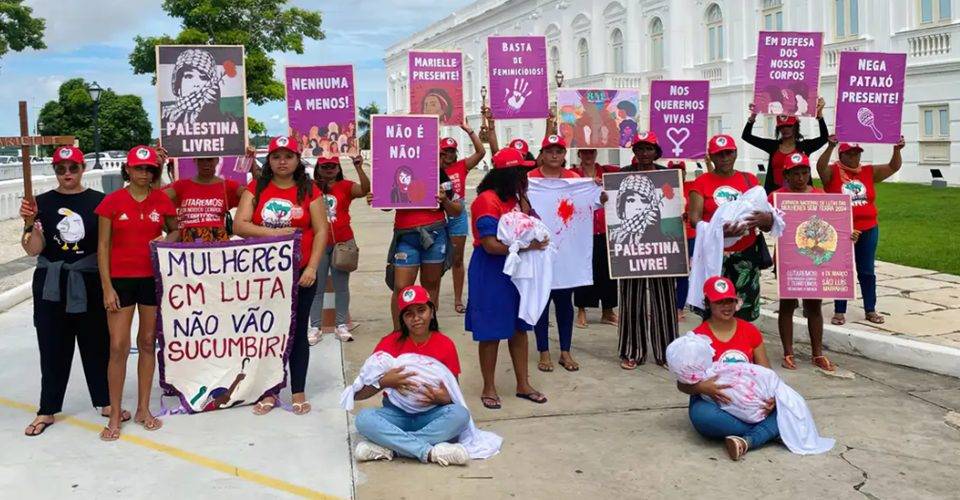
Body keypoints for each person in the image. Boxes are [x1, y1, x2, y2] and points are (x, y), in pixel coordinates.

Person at [19, 146, 119, 436]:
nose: (67, 174)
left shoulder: (100, 202)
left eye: (72, 168)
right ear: (55, 172)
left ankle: (104, 401)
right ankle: (47, 409)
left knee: (96, 343)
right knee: (52, 346)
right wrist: (29, 224)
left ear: (82, 169)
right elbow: (32, 249)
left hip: (88, 280)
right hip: (52, 283)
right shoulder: (39, 203)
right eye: (60, 169)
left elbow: (108, 246)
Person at [233, 136, 328, 416]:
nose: (282, 162)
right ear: (268, 160)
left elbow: (321, 230)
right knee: (269, 333)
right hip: (264, 274)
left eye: (288, 156)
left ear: (298, 160)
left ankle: (297, 389)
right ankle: (270, 390)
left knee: (297, 332)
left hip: (301, 273)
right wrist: (276, 233)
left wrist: (312, 267)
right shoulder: (256, 188)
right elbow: (240, 224)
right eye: (276, 156)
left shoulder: (309, 189)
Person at [96, 146, 178, 441]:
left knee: (147, 342)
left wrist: (166, 238)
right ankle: (115, 413)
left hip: (150, 280)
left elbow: (175, 230)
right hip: (120, 280)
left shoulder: (161, 200)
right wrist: (106, 287)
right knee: (118, 346)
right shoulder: (112, 202)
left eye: (149, 169)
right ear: (127, 170)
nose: (144, 174)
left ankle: (143, 408)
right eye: (139, 168)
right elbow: (102, 247)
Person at [350, 285, 471, 466]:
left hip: (431, 413)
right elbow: (358, 394)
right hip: (395, 414)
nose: (416, 318)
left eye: (421, 310)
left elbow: (454, 393)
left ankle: (391, 448)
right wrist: (384, 382)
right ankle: (429, 452)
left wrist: (443, 398)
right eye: (409, 314)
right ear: (402, 319)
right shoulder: (389, 343)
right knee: (364, 419)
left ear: (432, 311)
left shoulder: (445, 344)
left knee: (460, 415)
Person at [466, 148, 549, 408]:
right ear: (508, 174)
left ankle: (523, 384)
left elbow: (533, 225)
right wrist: (527, 247)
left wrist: (524, 201)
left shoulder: (516, 198)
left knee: (519, 327)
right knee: (490, 331)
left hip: (517, 272)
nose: (526, 176)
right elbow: (490, 245)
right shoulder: (487, 200)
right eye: (522, 172)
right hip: (491, 270)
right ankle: (489, 387)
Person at [677, 276, 779, 461]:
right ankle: (770, 431)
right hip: (714, 404)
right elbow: (682, 385)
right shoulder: (697, 338)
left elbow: (767, 374)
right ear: (708, 303)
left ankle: (749, 439)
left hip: (750, 402)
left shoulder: (750, 331)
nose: (726, 306)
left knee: (789, 404)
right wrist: (702, 388)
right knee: (703, 417)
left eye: (730, 301)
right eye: (720, 302)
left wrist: (773, 399)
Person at [817, 136, 904, 326]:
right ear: (842, 155)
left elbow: (893, 167)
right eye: (850, 153)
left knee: (867, 270)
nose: (855, 157)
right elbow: (819, 167)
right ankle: (839, 310)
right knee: (842, 269)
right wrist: (830, 146)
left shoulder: (867, 172)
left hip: (868, 228)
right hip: (842, 230)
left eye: (858, 153)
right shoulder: (832, 172)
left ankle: (870, 309)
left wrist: (897, 150)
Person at [769, 153, 844, 371]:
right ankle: (788, 352)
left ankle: (817, 353)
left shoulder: (820, 195)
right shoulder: (776, 197)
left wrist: (849, 234)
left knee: (814, 306)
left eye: (804, 173)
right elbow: (766, 223)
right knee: (787, 305)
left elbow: (835, 225)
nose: (800, 178)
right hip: (787, 259)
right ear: (786, 175)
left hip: (813, 260)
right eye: (795, 174)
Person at [688, 134, 774, 322]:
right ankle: (716, 350)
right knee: (714, 311)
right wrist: (718, 231)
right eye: (719, 154)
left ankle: (743, 349)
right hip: (714, 257)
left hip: (746, 256)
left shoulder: (749, 180)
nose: (725, 158)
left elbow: (767, 220)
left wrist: (764, 218)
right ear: (711, 156)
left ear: (735, 153)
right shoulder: (701, 183)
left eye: (729, 152)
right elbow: (694, 219)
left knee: (744, 311)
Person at [616, 132, 679, 369]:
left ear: (656, 151)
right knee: (632, 300)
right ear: (634, 152)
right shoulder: (621, 176)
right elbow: (614, 207)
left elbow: (676, 205)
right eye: (639, 149)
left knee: (664, 300)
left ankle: (667, 353)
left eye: (649, 149)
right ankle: (633, 351)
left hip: (661, 249)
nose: (644, 154)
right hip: (630, 250)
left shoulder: (667, 176)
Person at [378, 154, 461, 330]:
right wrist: (376, 198)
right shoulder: (399, 173)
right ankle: (398, 332)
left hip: (435, 236)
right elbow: (386, 204)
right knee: (401, 287)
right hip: (406, 237)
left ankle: (427, 331)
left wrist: (445, 200)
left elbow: (457, 210)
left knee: (431, 285)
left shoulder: (441, 178)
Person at [527, 134, 583, 372]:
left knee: (564, 303)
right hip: (538, 250)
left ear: (564, 155)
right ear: (541, 154)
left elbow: (586, 206)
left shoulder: (574, 178)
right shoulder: (529, 179)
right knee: (541, 302)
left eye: (558, 151)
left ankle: (565, 351)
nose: (554, 155)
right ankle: (543, 351)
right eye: (549, 151)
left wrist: (599, 197)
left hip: (565, 251)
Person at [308, 153, 370, 344]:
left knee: (341, 286)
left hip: (342, 243)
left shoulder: (345, 186)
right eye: (324, 166)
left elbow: (365, 189)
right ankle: (315, 327)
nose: (328, 170)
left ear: (338, 168)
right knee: (316, 287)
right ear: (318, 168)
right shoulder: (310, 187)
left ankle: (341, 325)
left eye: (332, 166)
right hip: (318, 243)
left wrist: (359, 167)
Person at [440, 123, 486, 315]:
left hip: (457, 215)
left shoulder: (462, 166)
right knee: (434, 260)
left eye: (452, 151)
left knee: (457, 259)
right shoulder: (430, 166)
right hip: (437, 213)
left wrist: (469, 130)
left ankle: (458, 299)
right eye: (445, 151)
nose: (449, 155)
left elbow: (481, 152)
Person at [572, 148, 620, 329]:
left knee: (608, 272)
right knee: (584, 270)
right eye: (584, 152)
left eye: (591, 151)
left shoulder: (608, 171)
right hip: (584, 229)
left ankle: (608, 311)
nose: (588, 155)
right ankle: (581, 310)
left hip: (607, 229)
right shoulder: (574, 175)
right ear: (579, 154)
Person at [741, 97, 829, 193]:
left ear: (796, 126)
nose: (785, 129)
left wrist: (819, 115)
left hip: (801, 194)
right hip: (775, 193)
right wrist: (753, 116)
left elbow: (824, 138)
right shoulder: (772, 146)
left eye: (789, 126)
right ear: (778, 128)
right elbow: (746, 136)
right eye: (782, 126)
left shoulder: (804, 146)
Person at [164, 155, 245, 242]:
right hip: (187, 243)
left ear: (217, 160)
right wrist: (158, 164)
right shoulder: (181, 186)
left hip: (218, 243)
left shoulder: (229, 186)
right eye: (201, 160)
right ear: (195, 161)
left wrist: (251, 162)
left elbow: (255, 197)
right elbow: (155, 198)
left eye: (209, 159)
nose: (205, 164)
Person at [669, 160, 697, 322]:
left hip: (689, 237)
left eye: (681, 171)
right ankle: (665, 305)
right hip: (670, 236)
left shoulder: (692, 186)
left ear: (686, 173)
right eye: (675, 171)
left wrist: (707, 162)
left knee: (683, 274)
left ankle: (679, 308)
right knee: (667, 274)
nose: (679, 174)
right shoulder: (664, 187)